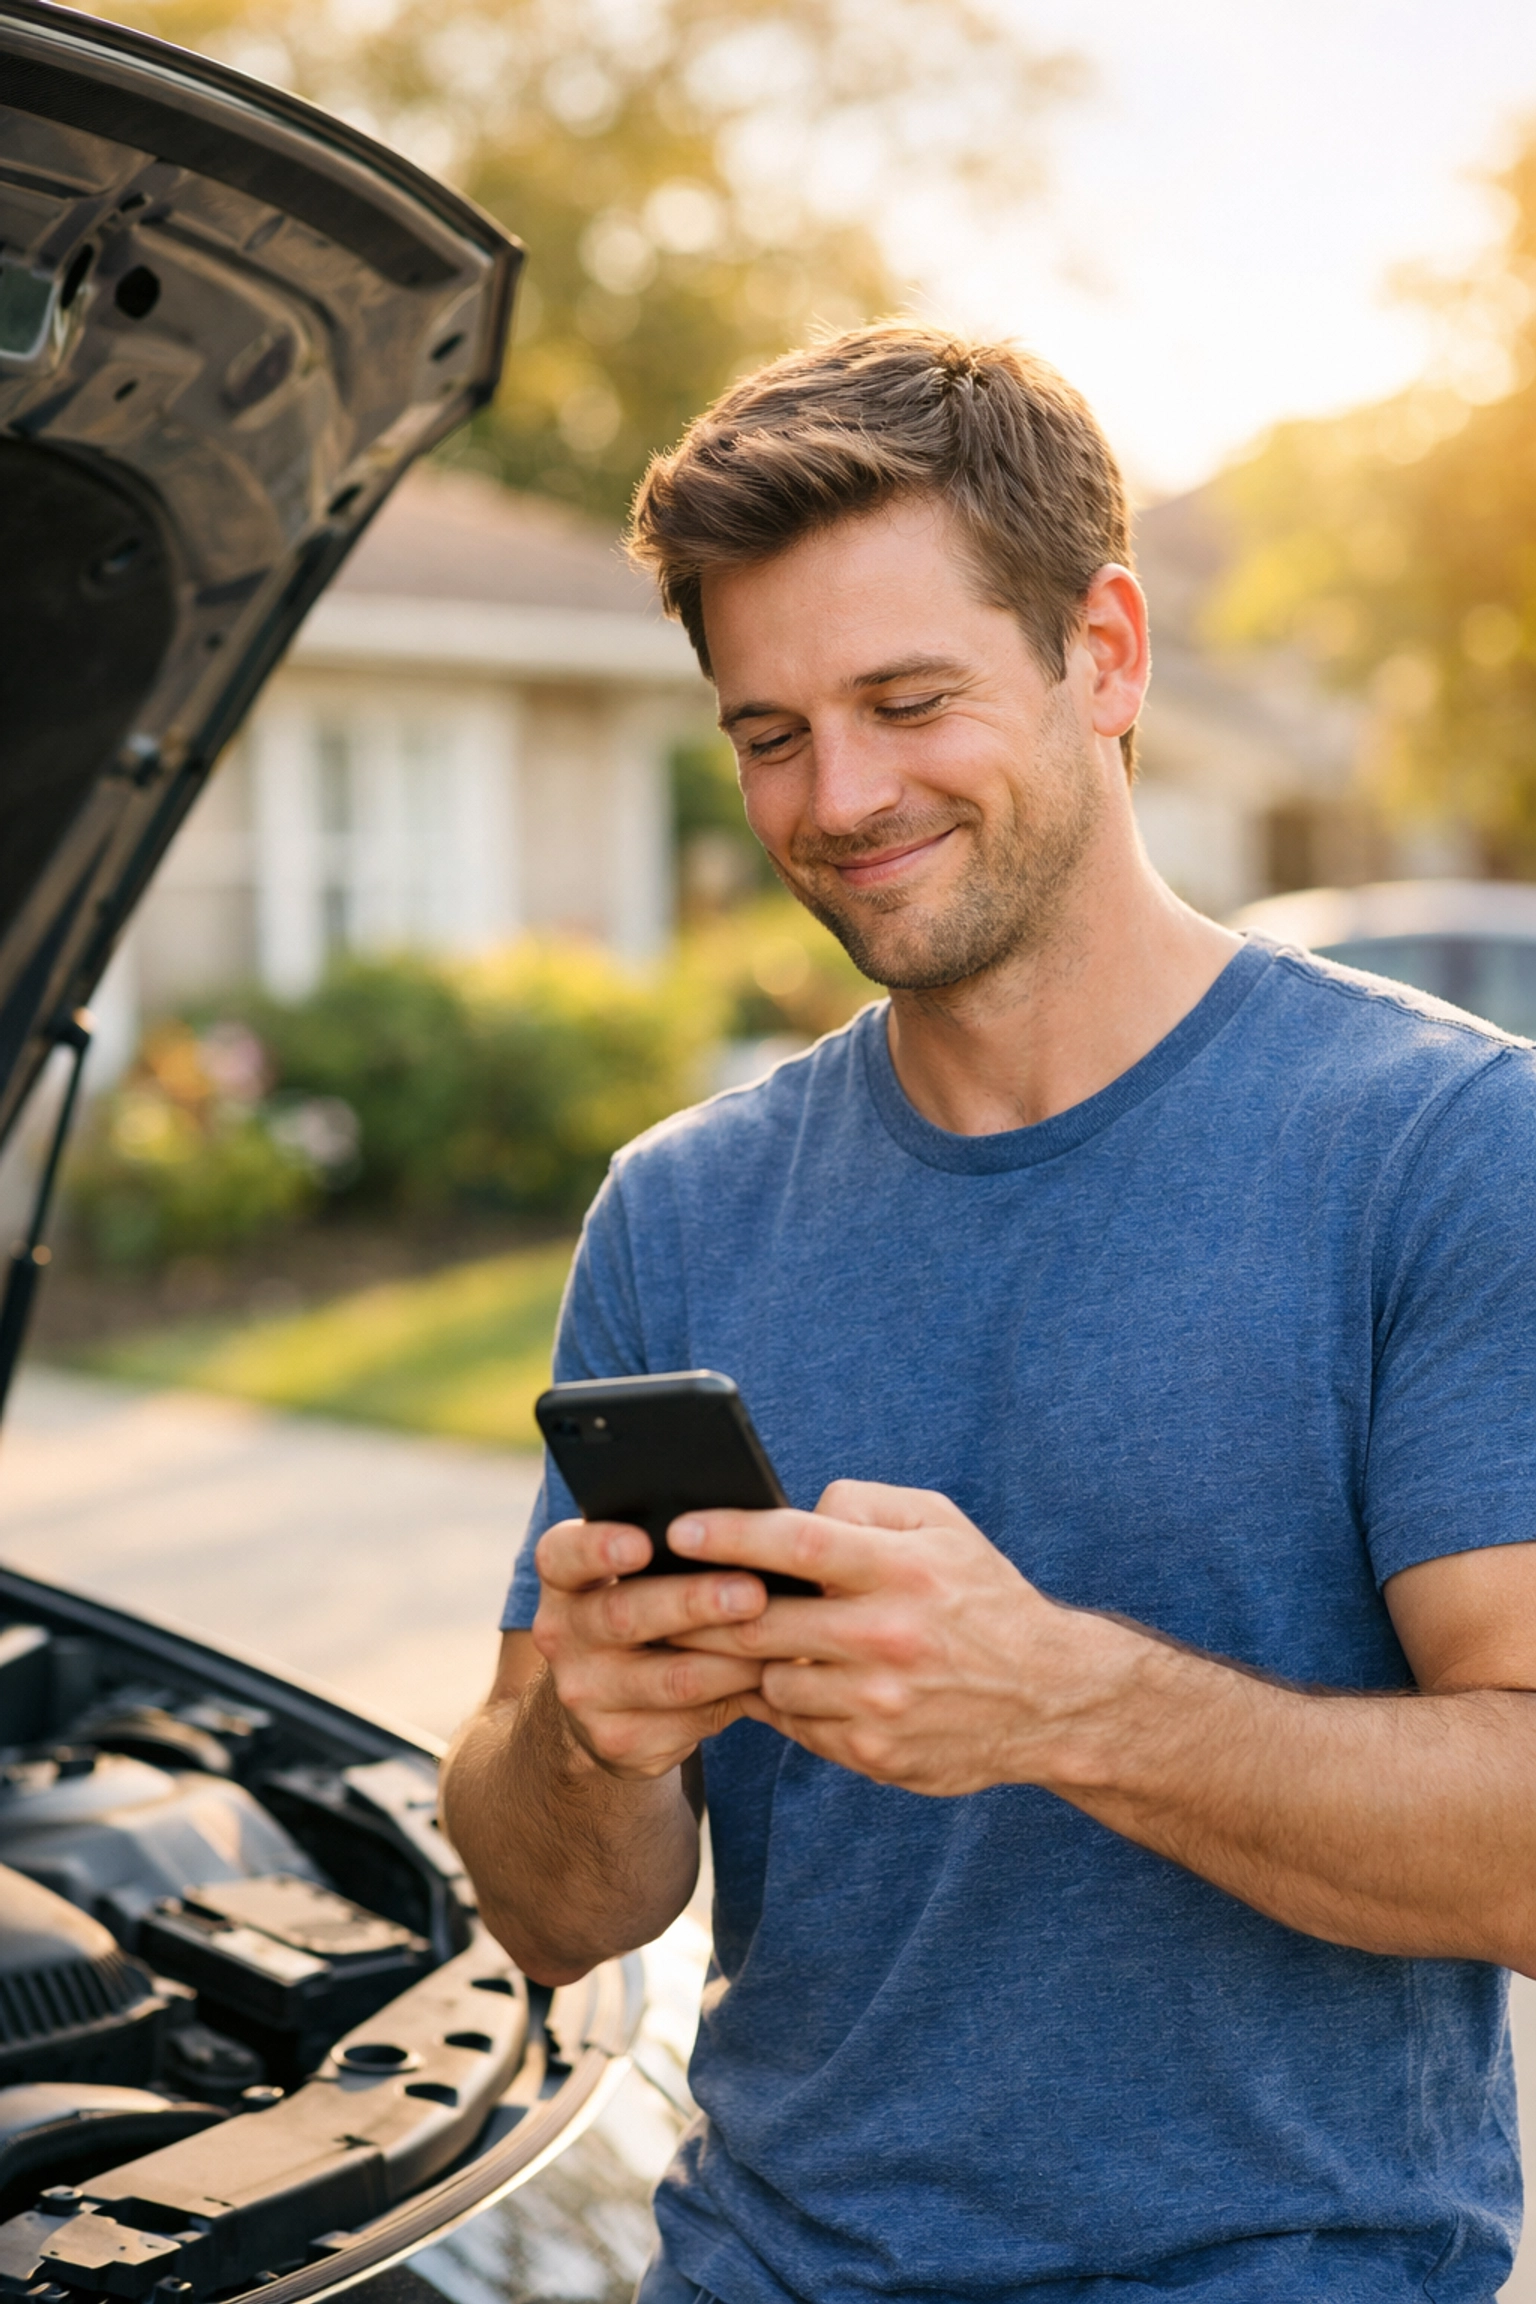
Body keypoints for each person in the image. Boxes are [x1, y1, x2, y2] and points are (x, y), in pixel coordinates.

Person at [440, 325, 1536, 2304]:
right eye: (769, 733)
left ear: (1104, 654)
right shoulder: (679, 1213)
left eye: (904, 699)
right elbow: (550, 1914)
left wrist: (1069, 1706)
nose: (838, 796)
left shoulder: (1442, 1150)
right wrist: (590, 1746)